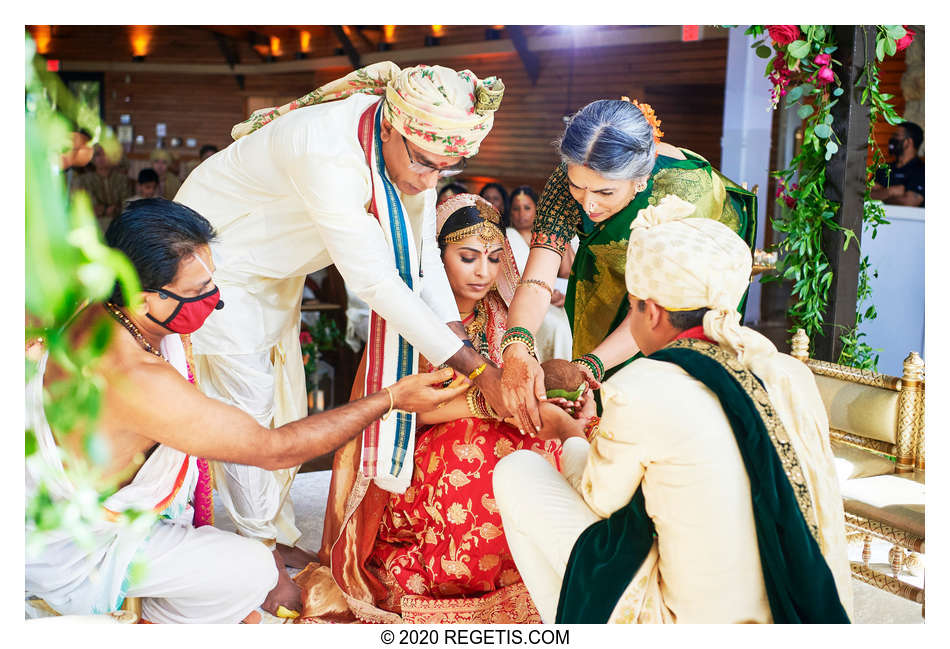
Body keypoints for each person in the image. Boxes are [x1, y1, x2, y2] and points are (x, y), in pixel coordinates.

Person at [25, 198, 466, 623]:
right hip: (83, 550)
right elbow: (275, 449)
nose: (215, 300)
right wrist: (390, 398)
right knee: (251, 570)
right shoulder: (137, 380)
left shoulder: (95, 305)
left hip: (53, 510)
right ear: (143, 300)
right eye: (198, 291)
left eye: (213, 281)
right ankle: (145, 619)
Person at [173, 61, 507, 612]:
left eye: (446, 169)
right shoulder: (328, 152)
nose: (430, 181)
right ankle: (258, 554)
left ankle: (266, 533)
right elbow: (375, 280)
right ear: (395, 129)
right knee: (251, 408)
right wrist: (476, 367)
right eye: (425, 164)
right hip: (218, 264)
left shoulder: (401, 145)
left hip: (272, 272)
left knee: (282, 403)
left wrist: (457, 335)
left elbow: (422, 253)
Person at [493, 195, 853, 624]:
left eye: (631, 307)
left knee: (517, 472)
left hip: (685, 624)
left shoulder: (642, 385)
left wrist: (572, 431)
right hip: (792, 609)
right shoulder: (790, 375)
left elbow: (601, 499)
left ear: (654, 312)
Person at [295, 194, 557, 624]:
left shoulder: (500, 312)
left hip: (490, 428)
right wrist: (483, 403)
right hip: (417, 447)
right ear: (436, 258)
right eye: (468, 257)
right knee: (473, 465)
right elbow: (399, 409)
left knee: (551, 453)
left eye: (494, 259)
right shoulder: (413, 318)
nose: (483, 272)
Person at [500, 98, 756, 434]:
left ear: (640, 179)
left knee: (648, 407)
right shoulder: (576, 171)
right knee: (595, 405)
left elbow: (657, 309)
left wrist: (593, 363)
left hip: (675, 304)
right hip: (605, 277)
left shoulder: (683, 195)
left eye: (605, 192)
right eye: (579, 188)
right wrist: (517, 347)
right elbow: (537, 278)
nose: (589, 204)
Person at [506, 186, 573, 361]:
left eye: (527, 208)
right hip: (522, 301)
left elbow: (567, 272)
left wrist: (559, 232)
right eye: (516, 208)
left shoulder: (545, 236)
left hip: (556, 298)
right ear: (510, 213)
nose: (521, 213)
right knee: (558, 326)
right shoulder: (508, 236)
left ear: (537, 210)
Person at [76, 144, 133, 233]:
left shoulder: (122, 180)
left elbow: (127, 205)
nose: (102, 158)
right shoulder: (84, 180)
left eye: (105, 154)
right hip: (92, 227)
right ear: (93, 157)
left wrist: (114, 209)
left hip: (119, 226)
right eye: (98, 154)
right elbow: (89, 208)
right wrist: (106, 209)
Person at [870, 121, 924, 206]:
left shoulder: (922, 171)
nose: (891, 139)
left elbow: (909, 202)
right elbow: (867, 196)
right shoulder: (883, 168)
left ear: (908, 142)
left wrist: (881, 193)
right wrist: (890, 192)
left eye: (896, 136)